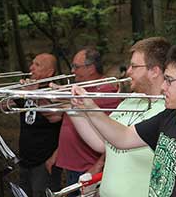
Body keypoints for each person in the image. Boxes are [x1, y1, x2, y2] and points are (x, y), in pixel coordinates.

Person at [71, 45, 176, 196]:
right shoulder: (169, 117)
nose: (163, 86)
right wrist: (89, 107)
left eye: (169, 80)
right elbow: (123, 138)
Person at [68, 37, 170, 197]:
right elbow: (102, 143)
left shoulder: (168, 111)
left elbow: (124, 138)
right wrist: (71, 107)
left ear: (154, 71)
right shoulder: (130, 101)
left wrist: (90, 106)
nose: (128, 71)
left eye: (134, 66)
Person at [0, 53, 63, 197]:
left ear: (49, 72)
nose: (31, 68)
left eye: (37, 65)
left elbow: (55, 117)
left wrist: (34, 94)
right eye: (32, 63)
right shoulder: (27, 88)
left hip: (45, 162)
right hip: (25, 161)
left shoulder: (56, 91)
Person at [47, 47, 121, 196]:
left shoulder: (105, 92)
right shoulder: (80, 88)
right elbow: (64, 121)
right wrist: (58, 152)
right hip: (72, 164)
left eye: (76, 66)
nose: (72, 70)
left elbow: (113, 135)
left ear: (91, 68)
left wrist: (98, 166)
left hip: (87, 167)